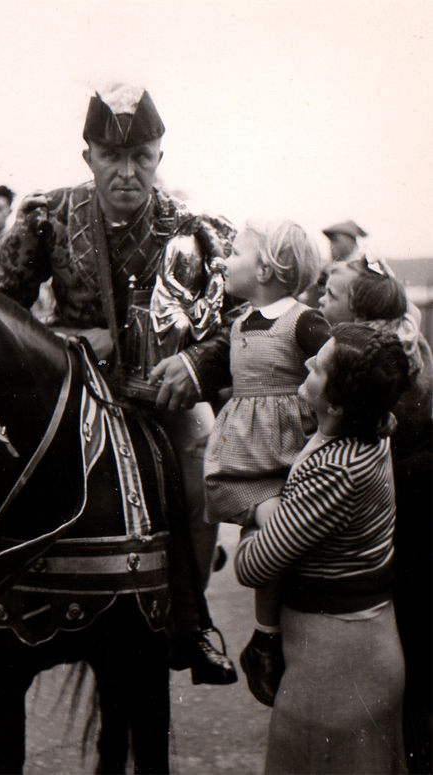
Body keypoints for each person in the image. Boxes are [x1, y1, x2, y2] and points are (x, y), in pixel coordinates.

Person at [0, 82, 238, 684]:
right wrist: (60, 340)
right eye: (110, 157)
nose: (126, 172)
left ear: (159, 158)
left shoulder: (195, 233)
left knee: (203, 459)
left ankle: (189, 616)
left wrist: (197, 364)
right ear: (88, 157)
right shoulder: (46, 218)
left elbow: (240, 325)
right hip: (65, 392)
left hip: (158, 399)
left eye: (140, 157)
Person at [235, 323, 410, 775]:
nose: (309, 361)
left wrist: (259, 509)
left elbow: (252, 566)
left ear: (335, 404)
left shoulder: (336, 471)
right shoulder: (372, 428)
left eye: (320, 365)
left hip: (335, 667)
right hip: (359, 652)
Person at [203, 219, 330, 705]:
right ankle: (266, 635)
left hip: (291, 455)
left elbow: (337, 372)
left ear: (264, 268)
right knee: (262, 537)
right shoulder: (236, 323)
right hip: (243, 459)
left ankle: (266, 636)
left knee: (270, 540)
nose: (223, 261)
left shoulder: (302, 321)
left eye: (234, 253)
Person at [319, 254, 433, 774]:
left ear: (360, 317)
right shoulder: (387, 359)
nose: (320, 303)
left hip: (405, 541)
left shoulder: (375, 372)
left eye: (331, 296)